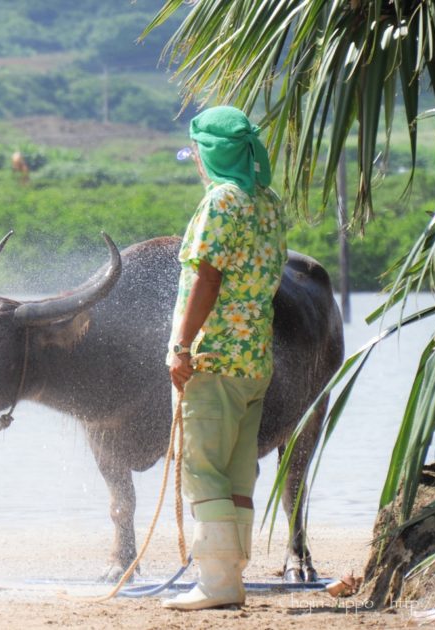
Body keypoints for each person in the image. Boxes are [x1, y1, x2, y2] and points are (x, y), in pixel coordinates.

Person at [163, 105, 288, 611]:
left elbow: (207, 278)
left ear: (211, 153)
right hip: (255, 359)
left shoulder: (221, 201)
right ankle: (229, 578)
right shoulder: (268, 201)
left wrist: (180, 346)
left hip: (212, 357)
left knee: (202, 466)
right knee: (238, 469)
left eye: (197, 150)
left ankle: (216, 584)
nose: (196, 160)